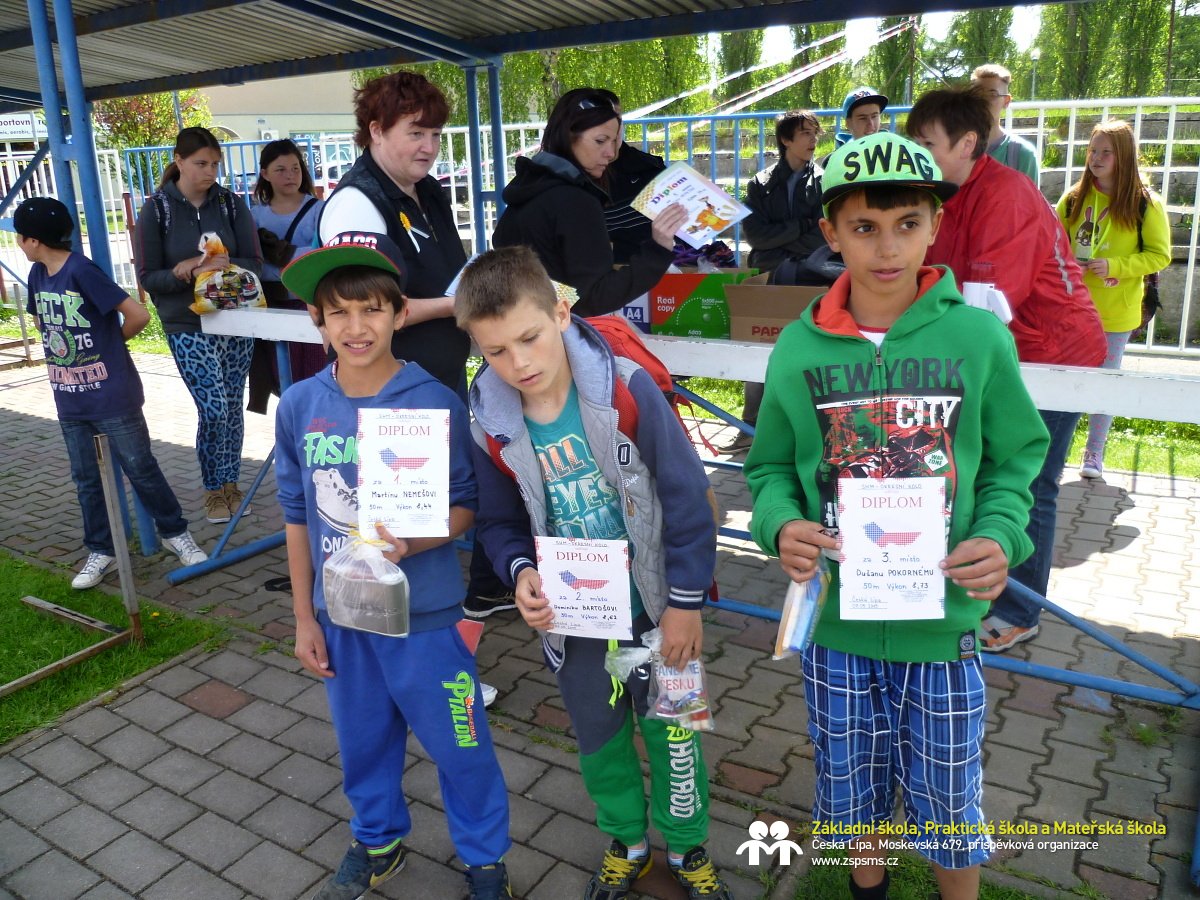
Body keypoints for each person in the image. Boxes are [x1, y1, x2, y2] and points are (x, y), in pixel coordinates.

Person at [743, 132, 1050, 900]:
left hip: (942, 628)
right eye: (865, 228)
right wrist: (779, 526)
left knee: (949, 803)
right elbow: (770, 466)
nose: (887, 248)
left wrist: (1000, 533)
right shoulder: (797, 349)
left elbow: (1017, 457)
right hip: (836, 632)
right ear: (831, 232)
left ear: (935, 224)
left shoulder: (978, 338)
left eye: (907, 223)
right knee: (850, 794)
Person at [455, 246, 733, 900]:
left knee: (677, 738)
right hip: (575, 620)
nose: (519, 362)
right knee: (600, 741)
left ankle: (687, 847)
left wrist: (685, 604)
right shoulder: (489, 420)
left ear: (560, 312)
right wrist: (520, 571)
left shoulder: (626, 389)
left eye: (529, 337)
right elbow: (498, 521)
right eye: (496, 351)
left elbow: (687, 498)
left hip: (661, 613)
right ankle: (627, 842)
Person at [276, 231, 512, 900]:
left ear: (400, 313)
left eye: (371, 310)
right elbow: (296, 517)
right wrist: (305, 618)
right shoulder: (301, 406)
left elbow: (466, 506)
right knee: (363, 742)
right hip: (343, 617)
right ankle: (378, 841)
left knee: (461, 747)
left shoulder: (434, 400)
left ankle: (485, 860)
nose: (356, 327)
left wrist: (414, 541)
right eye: (339, 312)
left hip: (426, 617)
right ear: (317, 321)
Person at [906, 87, 1106, 653]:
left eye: (926, 143)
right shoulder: (943, 192)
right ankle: (974, 584)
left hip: (1053, 355)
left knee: (1029, 481)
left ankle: (1020, 608)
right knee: (976, 473)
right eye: (912, 141)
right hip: (1001, 353)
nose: (916, 154)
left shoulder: (1006, 194)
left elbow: (987, 302)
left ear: (967, 143)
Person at [316, 70, 512, 621]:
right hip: (389, 395)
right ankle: (381, 624)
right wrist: (460, 303)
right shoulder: (356, 203)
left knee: (436, 512)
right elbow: (371, 314)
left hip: (434, 382)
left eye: (435, 134)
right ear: (376, 131)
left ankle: (437, 620)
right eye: (415, 132)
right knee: (396, 521)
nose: (428, 146)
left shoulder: (427, 191)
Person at [14, 197, 208, 588]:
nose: (18, 243)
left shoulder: (81, 271)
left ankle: (176, 534)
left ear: (33, 240)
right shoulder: (37, 275)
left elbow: (138, 314)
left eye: (20, 236)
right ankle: (101, 550)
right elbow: (41, 320)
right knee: (86, 478)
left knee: (140, 467)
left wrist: (109, 345)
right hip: (69, 398)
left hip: (112, 395)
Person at [135, 126, 263, 525]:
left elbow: (256, 264)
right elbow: (147, 278)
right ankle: (212, 489)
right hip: (186, 324)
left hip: (234, 318)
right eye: (200, 164)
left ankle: (231, 484)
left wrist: (226, 264)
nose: (210, 172)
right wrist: (185, 270)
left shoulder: (230, 204)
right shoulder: (156, 209)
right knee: (214, 409)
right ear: (178, 161)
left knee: (233, 405)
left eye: (215, 164)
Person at [491, 87, 688, 316]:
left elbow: (555, 283)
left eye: (614, 141)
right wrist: (658, 250)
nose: (611, 153)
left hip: (518, 324)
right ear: (568, 136)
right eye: (600, 141)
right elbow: (594, 296)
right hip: (556, 331)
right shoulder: (575, 202)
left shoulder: (527, 187)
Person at [1057, 120, 1171, 479]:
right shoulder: (1073, 198)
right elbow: (1051, 243)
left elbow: (1160, 255)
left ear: (1124, 157)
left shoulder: (1145, 203)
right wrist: (1067, 261)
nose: (1096, 158)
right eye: (1093, 150)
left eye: (1106, 152)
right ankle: (1057, 451)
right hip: (1072, 311)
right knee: (1066, 383)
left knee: (1105, 383)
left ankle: (1094, 453)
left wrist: (1116, 266)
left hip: (1115, 313)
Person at [730, 109, 827, 451]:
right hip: (770, 275)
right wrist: (800, 227)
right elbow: (756, 235)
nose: (813, 140)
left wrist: (783, 238)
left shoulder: (825, 180)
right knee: (758, 349)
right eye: (805, 133)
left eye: (815, 133)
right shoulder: (760, 182)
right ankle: (749, 428)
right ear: (786, 139)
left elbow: (822, 237)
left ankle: (808, 431)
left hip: (812, 275)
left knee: (809, 353)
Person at [248, 138, 325, 412]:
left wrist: (284, 253)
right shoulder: (255, 216)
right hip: (270, 306)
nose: (290, 175)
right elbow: (252, 263)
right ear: (265, 174)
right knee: (282, 380)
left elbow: (324, 253)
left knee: (315, 376)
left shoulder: (319, 210)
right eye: (280, 169)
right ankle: (291, 428)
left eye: (295, 168)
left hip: (309, 304)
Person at [591, 88, 668, 265]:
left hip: (663, 270)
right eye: (602, 123)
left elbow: (685, 238)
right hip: (605, 275)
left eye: (617, 121)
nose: (614, 130)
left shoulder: (649, 168)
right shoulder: (566, 181)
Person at [970, 65, 1040, 184]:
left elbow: (1029, 196)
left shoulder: (1022, 154)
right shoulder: (955, 148)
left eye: (992, 95)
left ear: (1006, 101)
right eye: (977, 94)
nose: (983, 101)